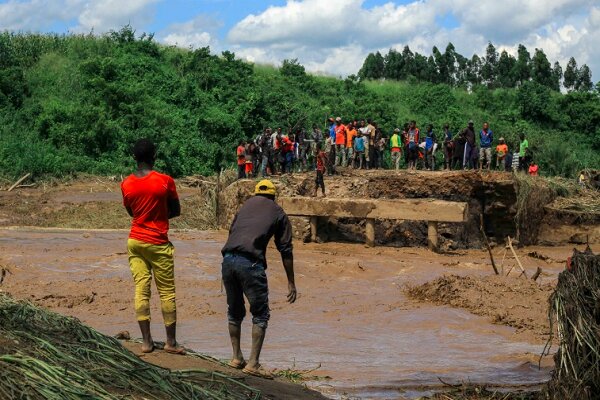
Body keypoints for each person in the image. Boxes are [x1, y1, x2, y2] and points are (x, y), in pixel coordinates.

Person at [221, 180, 297, 378]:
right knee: (260, 314)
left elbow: (232, 232)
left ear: (255, 194)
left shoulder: (245, 207)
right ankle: (253, 363)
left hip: (228, 260)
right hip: (250, 263)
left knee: (234, 311)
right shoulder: (278, 212)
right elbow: (286, 249)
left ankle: (236, 357)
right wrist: (291, 282)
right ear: (274, 196)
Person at [121, 139, 184, 355]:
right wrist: (158, 214)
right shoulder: (165, 181)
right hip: (157, 242)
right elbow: (176, 210)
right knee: (166, 292)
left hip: (135, 241)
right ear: (154, 157)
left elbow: (132, 213)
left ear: (134, 158)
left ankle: (147, 342)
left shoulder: (126, 184)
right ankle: (171, 343)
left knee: (141, 289)